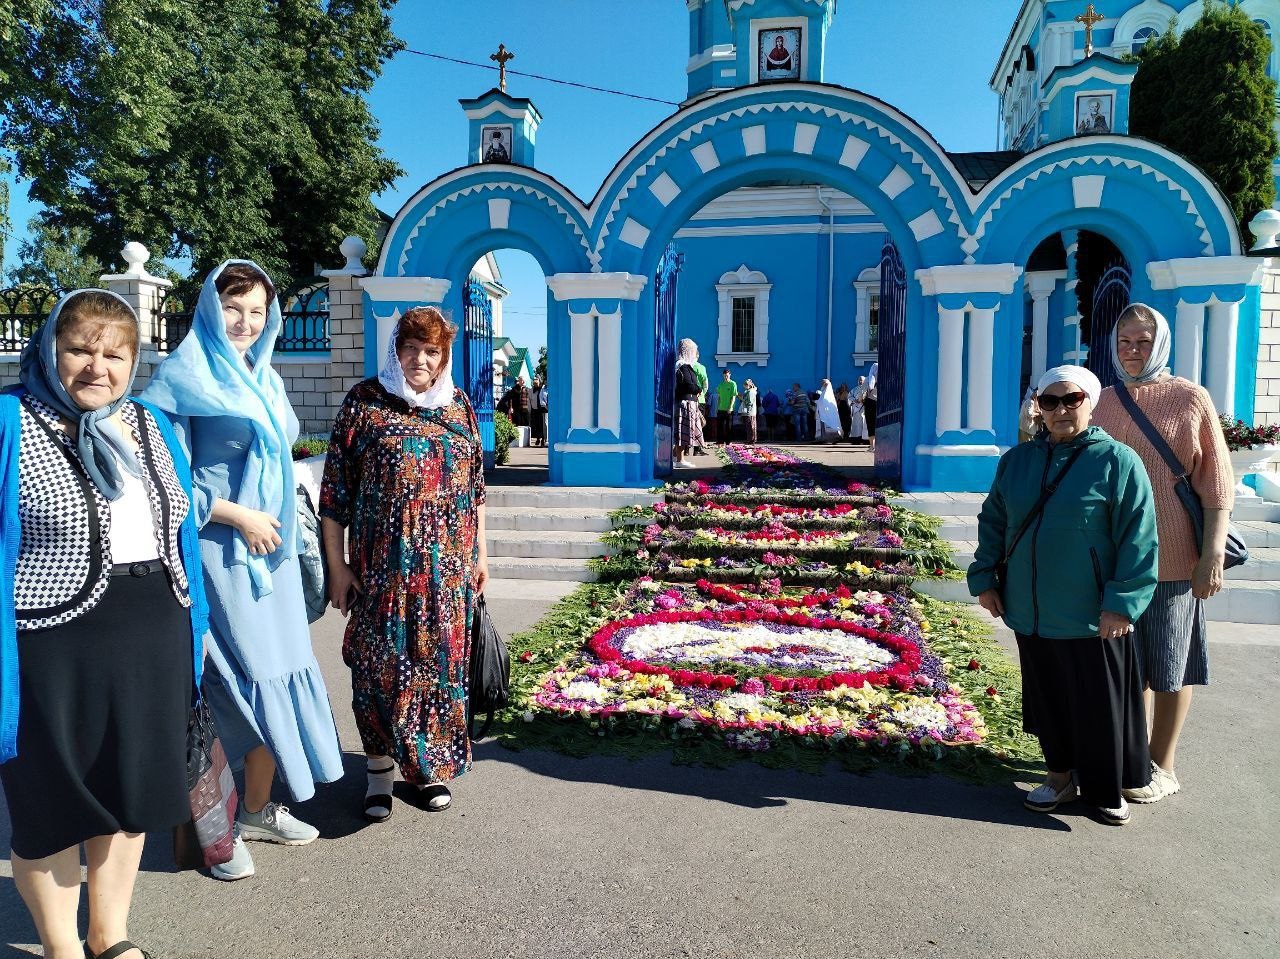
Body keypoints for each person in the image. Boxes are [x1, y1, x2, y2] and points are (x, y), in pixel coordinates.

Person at [0, 290, 207, 959]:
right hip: (48, 641)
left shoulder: (150, 423)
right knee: (51, 801)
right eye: (80, 349)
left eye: (115, 354)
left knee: (129, 790)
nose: (98, 367)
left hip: (154, 631)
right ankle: (61, 945)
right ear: (49, 351)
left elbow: (182, 525)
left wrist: (196, 627)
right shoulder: (10, 419)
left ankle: (107, 935)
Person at [143, 261, 344, 882]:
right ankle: (214, 831)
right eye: (234, 307)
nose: (246, 322)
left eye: (258, 311)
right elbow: (162, 478)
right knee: (234, 688)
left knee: (279, 675)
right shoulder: (180, 378)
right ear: (210, 307)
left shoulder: (266, 378)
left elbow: (282, 457)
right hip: (219, 552)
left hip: (270, 559)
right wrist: (238, 515)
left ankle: (256, 807)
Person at [320, 307, 490, 821]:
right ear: (396, 351)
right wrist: (337, 566)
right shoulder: (365, 402)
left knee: (438, 669)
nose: (420, 359)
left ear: (444, 358)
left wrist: (482, 555)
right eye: (411, 348)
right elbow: (334, 493)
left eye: (431, 351)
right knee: (379, 669)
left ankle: (425, 769)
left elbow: (476, 490)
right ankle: (378, 772)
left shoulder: (459, 406)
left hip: (447, 577)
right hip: (383, 574)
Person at [968, 365, 1158, 825]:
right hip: (1031, 609)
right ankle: (1058, 777)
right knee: (1048, 699)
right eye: (1049, 401)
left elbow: (1138, 537)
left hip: (1091, 613)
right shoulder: (1017, 461)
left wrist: (1122, 604)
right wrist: (985, 578)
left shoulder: (1117, 461)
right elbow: (994, 521)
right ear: (1039, 407)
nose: (1060, 410)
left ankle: (1105, 788)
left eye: (1071, 400)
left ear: (1090, 404)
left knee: (1098, 706)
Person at [1092, 303, 1234, 804]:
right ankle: (1129, 755)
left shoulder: (1189, 397)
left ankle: (1163, 763)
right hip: (1113, 554)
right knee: (1125, 663)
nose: (1133, 351)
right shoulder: (1101, 400)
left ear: (1162, 344)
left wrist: (1212, 554)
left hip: (1173, 553)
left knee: (1170, 663)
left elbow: (1216, 484)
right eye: (1125, 341)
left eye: (1143, 342)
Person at [672, 338, 704, 468]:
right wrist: (698, 389)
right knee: (682, 432)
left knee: (684, 432)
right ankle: (680, 460)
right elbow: (688, 385)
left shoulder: (684, 366)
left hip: (688, 402)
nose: (696, 354)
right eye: (694, 351)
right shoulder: (682, 366)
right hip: (685, 402)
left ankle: (676, 457)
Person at [692, 354, 710, 451]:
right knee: (699, 423)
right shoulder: (701, 367)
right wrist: (703, 393)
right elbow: (705, 384)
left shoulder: (686, 366)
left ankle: (686, 449)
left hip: (688, 398)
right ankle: (697, 449)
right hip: (700, 399)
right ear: (697, 356)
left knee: (688, 422)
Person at [716, 369, 738, 443]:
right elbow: (719, 397)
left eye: (727, 375)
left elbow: (733, 396)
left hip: (729, 409)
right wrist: (717, 407)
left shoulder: (733, 384)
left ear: (730, 375)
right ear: (723, 375)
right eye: (725, 375)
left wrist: (731, 407)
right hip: (721, 408)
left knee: (729, 426)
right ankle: (720, 441)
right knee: (720, 426)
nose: (726, 377)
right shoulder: (721, 384)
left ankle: (728, 441)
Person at [529, 375, 548, 448]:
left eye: (536, 379)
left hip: (542, 409)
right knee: (536, 425)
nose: (535, 381)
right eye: (534, 380)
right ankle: (538, 438)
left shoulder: (542, 388)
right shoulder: (531, 390)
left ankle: (543, 439)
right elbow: (530, 400)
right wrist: (530, 409)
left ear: (539, 381)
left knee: (542, 425)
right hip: (535, 409)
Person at [850, 376, 870, 443]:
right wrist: (854, 400)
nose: (860, 381)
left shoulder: (868, 389)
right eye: (859, 380)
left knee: (864, 423)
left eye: (861, 380)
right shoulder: (854, 389)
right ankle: (857, 438)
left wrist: (864, 401)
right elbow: (850, 396)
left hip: (864, 408)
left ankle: (865, 439)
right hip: (856, 409)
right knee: (857, 423)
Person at [739, 378, 759, 444]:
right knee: (749, 426)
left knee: (750, 426)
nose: (744, 386)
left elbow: (749, 402)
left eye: (745, 385)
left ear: (749, 385)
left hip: (750, 412)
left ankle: (751, 440)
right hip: (748, 412)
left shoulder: (751, 392)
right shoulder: (748, 391)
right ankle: (750, 440)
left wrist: (742, 398)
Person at [864, 363, 879, 453]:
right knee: (878, 424)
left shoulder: (867, 380)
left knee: (870, 423)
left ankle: (872, 446)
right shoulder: (886, 379)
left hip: (870, 402)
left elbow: (862, 393)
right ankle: (876, 446)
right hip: (880, 403)